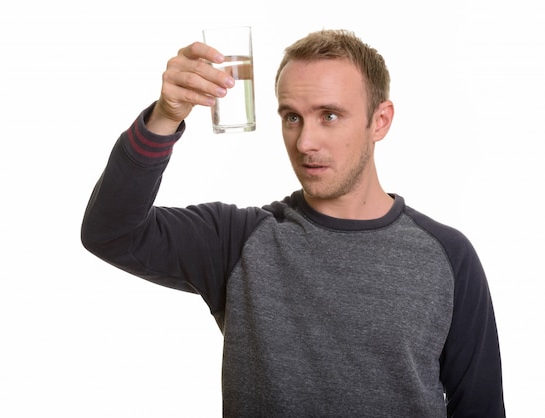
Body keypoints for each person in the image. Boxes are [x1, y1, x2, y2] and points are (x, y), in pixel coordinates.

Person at [81, 29, 505, 417]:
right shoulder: (238, 241)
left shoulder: (448, 256)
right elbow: (112, 232)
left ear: (380, 121)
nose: (305, 142)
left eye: (330, 116)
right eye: (292, 117)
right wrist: (165, 116)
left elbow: (480, 408)